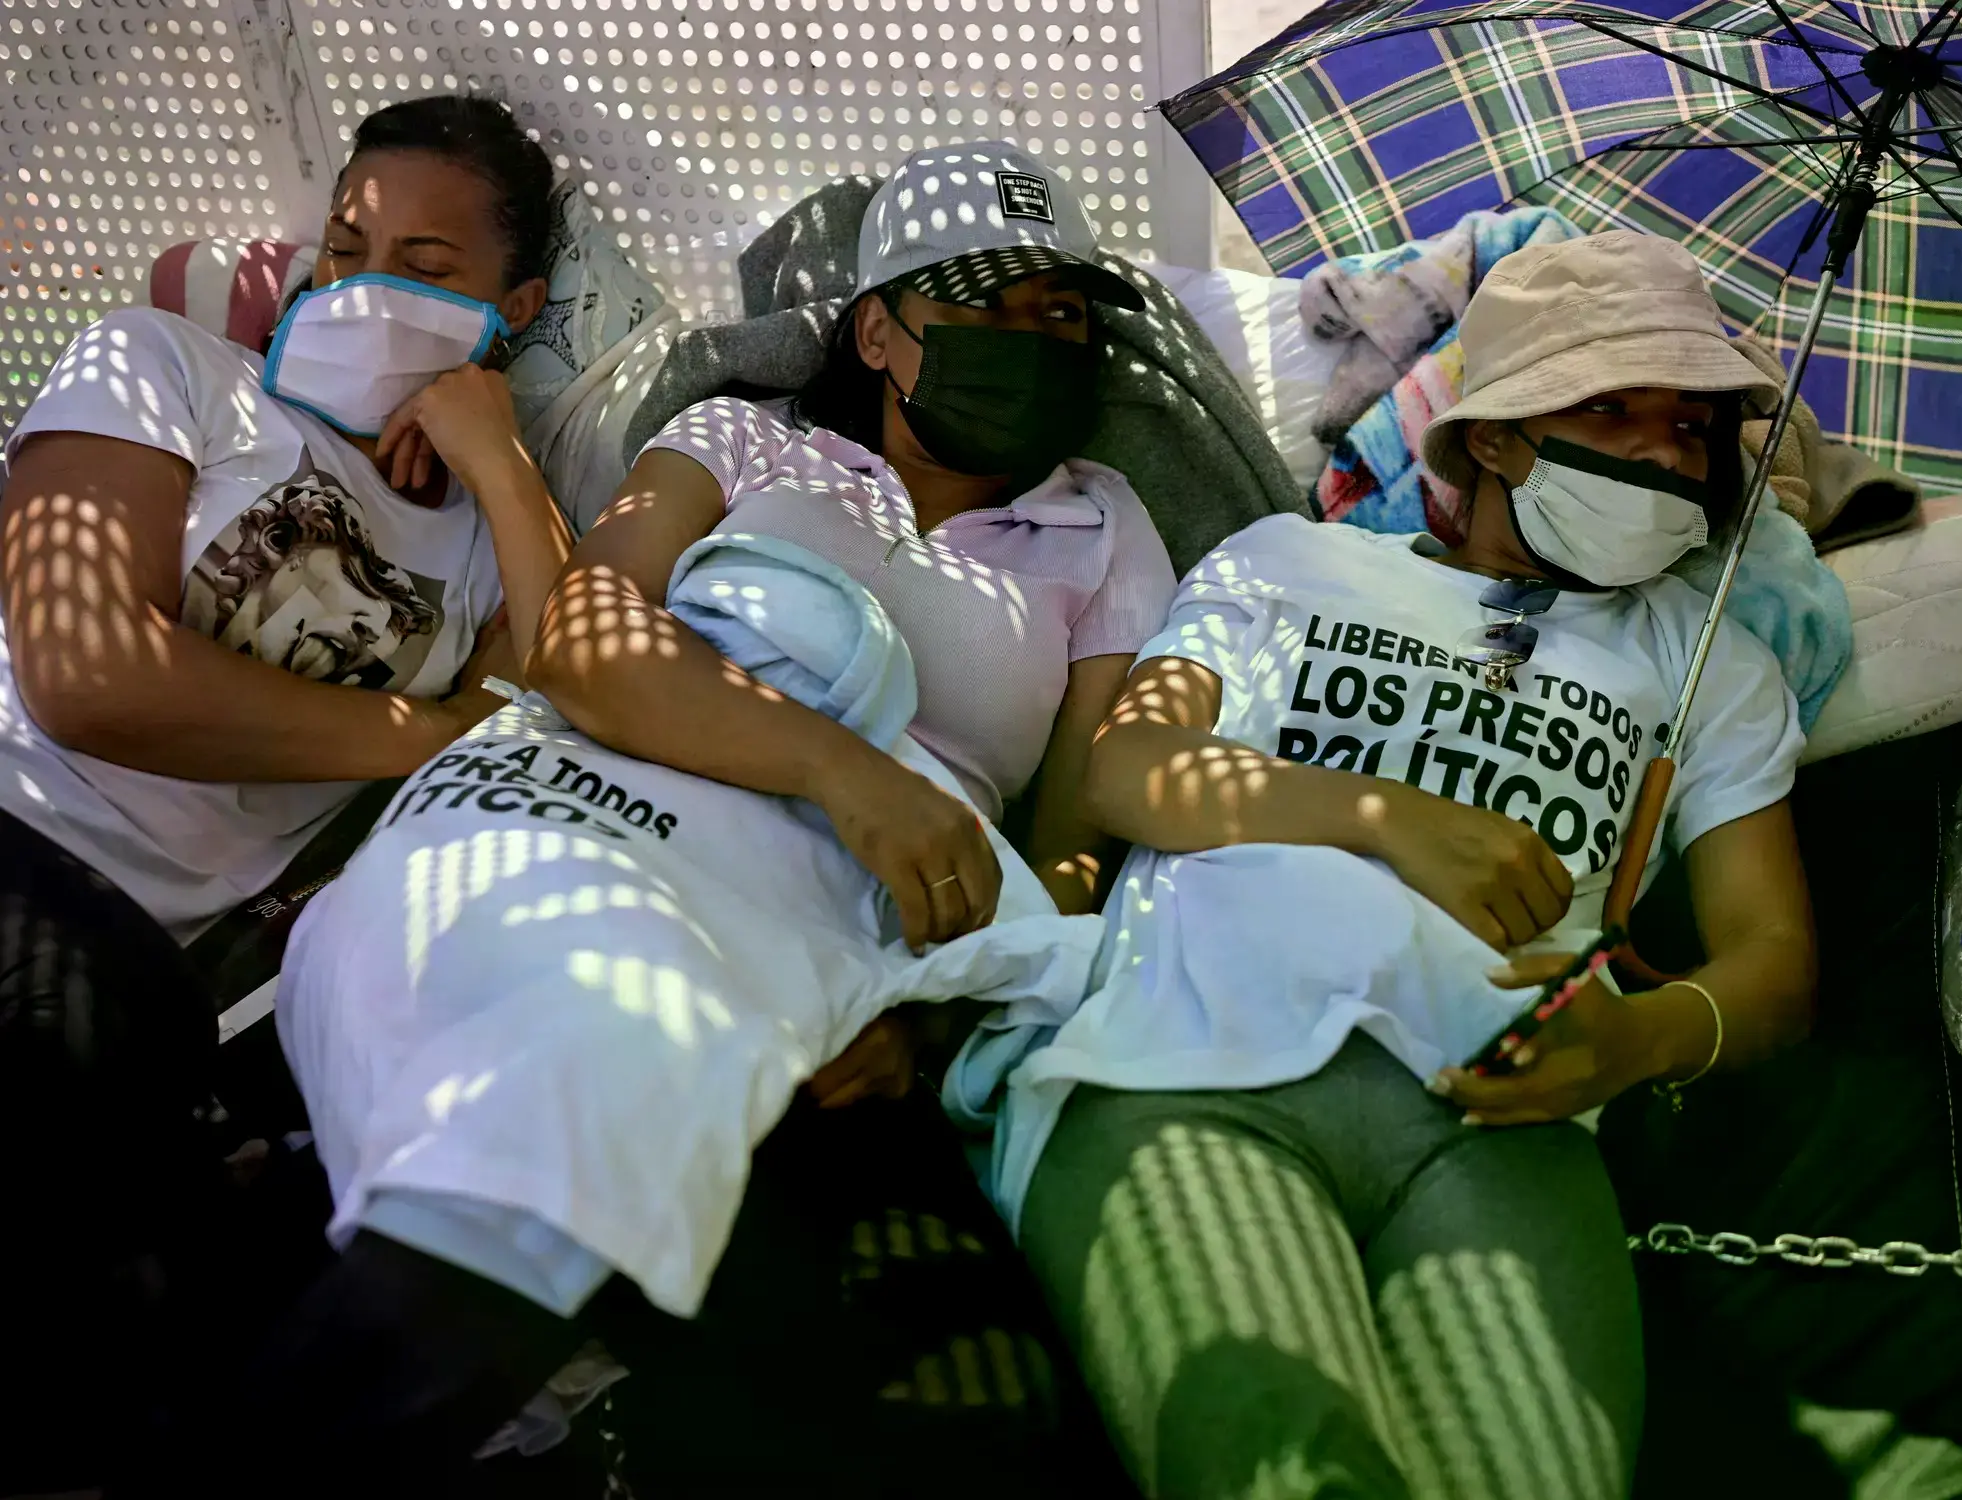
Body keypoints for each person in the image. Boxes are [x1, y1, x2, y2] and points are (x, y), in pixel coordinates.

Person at [155, 142, 1179, 1496]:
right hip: (596, 820)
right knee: (558, 1122)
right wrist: (837, 768)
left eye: (1061, 313)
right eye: (984, 302)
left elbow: (1073, 830)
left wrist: (938, 1019)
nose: (1031, 340)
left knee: (955, 1400)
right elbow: (582, 638)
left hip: (829, 942)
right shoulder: (744, 437)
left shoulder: (1099, 524)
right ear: (877, 329)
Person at [997, 231, 1818, 1500]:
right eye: (1611, 407)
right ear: (1491, 437)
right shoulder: (1290, 564)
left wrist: (1639, 1039)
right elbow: (1127, 767)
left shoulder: (1710, 664)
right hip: (1191, 1063)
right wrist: (1383, 814)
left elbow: (1771, 963)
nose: (1662, 450)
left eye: (1693, 428)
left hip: (1501, 1123)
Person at [0, 94, 570, 1491]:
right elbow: (85, 670)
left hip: (153, 978)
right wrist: (408, 729)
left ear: (517, 306)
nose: (365, 283)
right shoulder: (165, 367)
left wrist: (500, 464)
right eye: (346, 242)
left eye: (428, 270)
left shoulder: (489, 551)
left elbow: (554, 704)